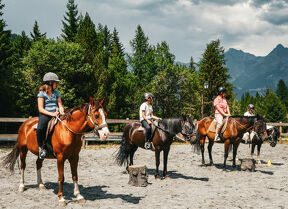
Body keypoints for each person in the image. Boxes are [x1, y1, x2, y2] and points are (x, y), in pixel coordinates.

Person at [37, 72, 64, 159]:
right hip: (46, 114)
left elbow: (60, 105)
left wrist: (62, 112)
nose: (57, 84)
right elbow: (40, 109)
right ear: (50, 83)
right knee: (40, 128)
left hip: (56, 114)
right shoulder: (41, 94)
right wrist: (52, 113)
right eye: (56, 82)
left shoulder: (56, 93)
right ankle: (41, 148)